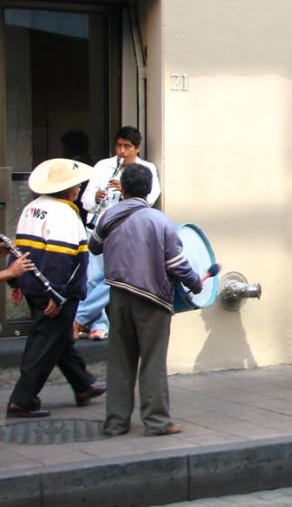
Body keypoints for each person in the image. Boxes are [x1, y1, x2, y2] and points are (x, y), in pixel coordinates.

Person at [88, 163, 201, 436]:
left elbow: (93, 246)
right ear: (149, 191)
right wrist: (195, 282)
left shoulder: (109, 216)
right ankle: (157, 422)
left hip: (117, 296)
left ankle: (115, 423)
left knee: (119, 362)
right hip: (152, 299)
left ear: (123, 188)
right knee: (152, 361)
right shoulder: (160, 221)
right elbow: (177, 264)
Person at [6, 158, 106, 418]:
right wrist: (57, 294)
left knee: (57, 337)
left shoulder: (31, 208)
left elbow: (17, 250)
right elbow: (60, 260)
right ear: (68, 188)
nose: (80, 189)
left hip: (32, 285)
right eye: (77, 185)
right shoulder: (65, 213)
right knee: (45, 342)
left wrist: (15, 282)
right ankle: (22, 399)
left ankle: (82, 384)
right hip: (56, 291)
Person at [75, 126, 161, 341]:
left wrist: (124, 189)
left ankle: (80, 318)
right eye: (119, 145)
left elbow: (148, 200)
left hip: (125, 230)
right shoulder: (103, 166)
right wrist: (96, 197)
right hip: (98, 227)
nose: (122, 151)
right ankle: (99, 324)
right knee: (92, 278)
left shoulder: (146, 169)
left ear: (137, 148)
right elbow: (85, 202)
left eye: (127, 147)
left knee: (111, 277)